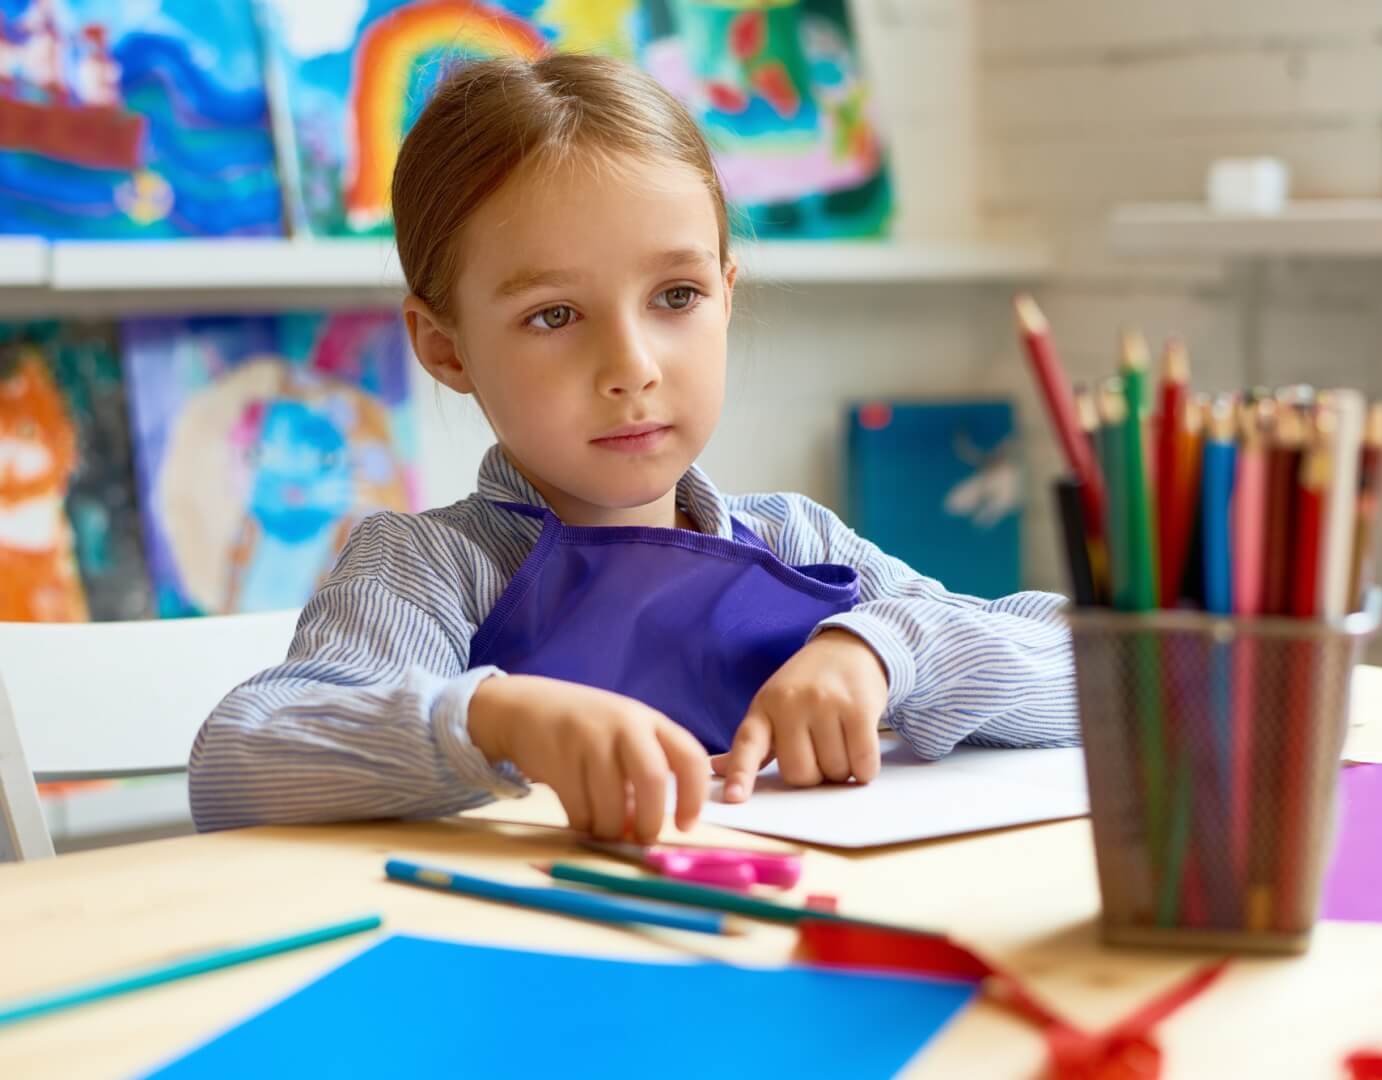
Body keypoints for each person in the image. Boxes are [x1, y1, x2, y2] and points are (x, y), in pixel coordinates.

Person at [190, 54, 1077, 843]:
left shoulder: (797, 547)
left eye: (677, 295)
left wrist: (884, 650)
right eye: (554, 315)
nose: (631, 367)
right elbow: (241, 757)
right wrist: (498, 720)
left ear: (726, 296)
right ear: (446, 348)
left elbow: (1099, 672)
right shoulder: (431, 568)